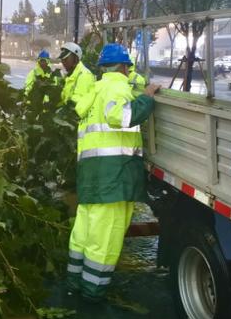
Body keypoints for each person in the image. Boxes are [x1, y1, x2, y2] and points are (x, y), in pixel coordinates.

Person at [67, 43, 161, 301]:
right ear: (123, 67)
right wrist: (148, 98)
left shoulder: (95, 89)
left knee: (84, 231)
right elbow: (119, 116)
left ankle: (75, 281)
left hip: (91, 174)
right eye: (128, 67)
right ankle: (93, 291)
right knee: (105, 237)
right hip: (114, 176)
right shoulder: (117, 86)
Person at [59, 42, 95, 106]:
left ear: (76, 59)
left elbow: (79, 104)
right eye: (62, 60)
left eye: (66, 59)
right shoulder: (71, 75)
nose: (63, 63)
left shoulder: (84, 75)